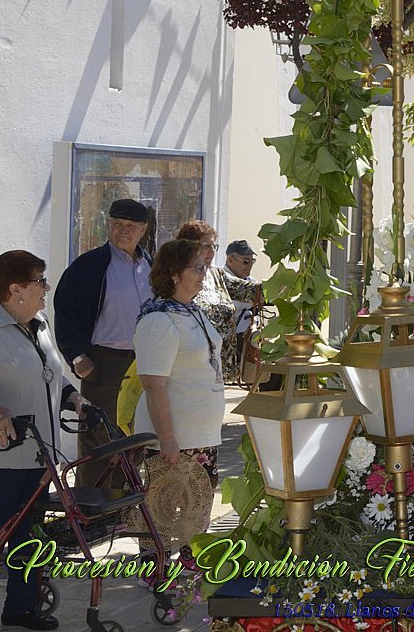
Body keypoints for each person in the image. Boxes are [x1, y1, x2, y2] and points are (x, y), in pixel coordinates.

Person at [0, 251, 87, 632]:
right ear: (15, 289)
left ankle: (21, 608)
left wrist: (72, 395)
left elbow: (47, 373)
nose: (46, 287)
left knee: (31, 535)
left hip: (39, 455)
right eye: (40, 280)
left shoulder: (40, 323)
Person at [52, 197, 152, 488]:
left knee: (134, 441)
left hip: (144, 364)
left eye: (130, 226)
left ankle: (123, 505)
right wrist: (77, 357)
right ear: (109, 225)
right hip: (104, 365)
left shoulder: (151, 266)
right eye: (117, 224)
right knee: (100, 440)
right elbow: (65, 311)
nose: (123, 231)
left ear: (143, 229)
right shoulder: (89, 266)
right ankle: (91, 506)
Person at [133, 239, 224, 550]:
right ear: (174, 274)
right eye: (196, 268)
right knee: (162, 516)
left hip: (202, 435)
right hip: (175, 439)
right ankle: (157, 572)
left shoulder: (192, 312)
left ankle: (188, 573)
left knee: (195, 520)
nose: (203, 273)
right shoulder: (159, 320)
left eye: (203, 267)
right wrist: (167, 438)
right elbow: (153, 385)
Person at [174, 221, 260, 381]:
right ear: (188, 246)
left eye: (214, 246)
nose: (212, 252)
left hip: (222, 369)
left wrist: (286, 284)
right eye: (206, 246)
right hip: (192, 368)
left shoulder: (215, 274)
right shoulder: (177, 277)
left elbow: (252, 291)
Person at [222, 240, 259, 379]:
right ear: (230, 259)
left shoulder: (251, 281)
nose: (249, 265)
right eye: (245, 261)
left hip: (250, 338)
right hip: (230, 340)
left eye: (252, 261)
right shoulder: (222, 279)